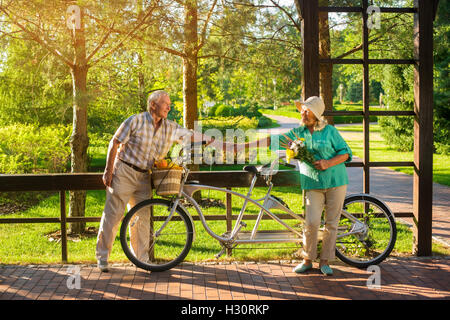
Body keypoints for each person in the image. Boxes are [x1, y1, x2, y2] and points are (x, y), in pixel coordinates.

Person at [96, 90, 218, 272]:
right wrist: (108, 170)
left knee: (142, 219)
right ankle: (103, 258)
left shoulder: (169, 127)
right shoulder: (135, 121)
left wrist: (209, 139)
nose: (169, 106)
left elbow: (189, 134)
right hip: (124, 171)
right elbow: (114, 142)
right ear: (153, 105)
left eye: (169, 103)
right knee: (113, 216)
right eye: (165, 103)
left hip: (145, 175)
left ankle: (142, 259)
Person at [236, 96, 352, 276]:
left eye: (307, 110)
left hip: (336, 182)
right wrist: (242, 146)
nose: (303, 113)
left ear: (316, 114)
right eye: (302, 110)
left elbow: (345, 153)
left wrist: (328, 163)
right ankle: (307, 260)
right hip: (312, 182)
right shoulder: (298, 133)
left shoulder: (330, 132)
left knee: (331, 223)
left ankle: (325, 262)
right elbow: (271, 140)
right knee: (311, 222)